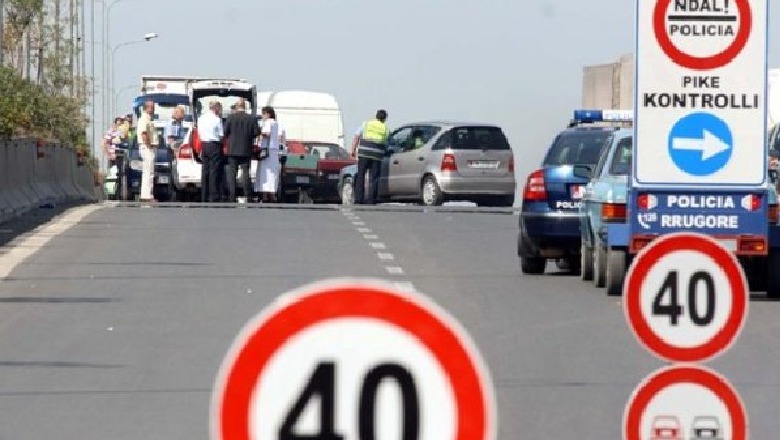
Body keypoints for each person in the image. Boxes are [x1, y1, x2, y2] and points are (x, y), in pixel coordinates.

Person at [223, 99, 259, 203]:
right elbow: (256, 132)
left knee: (232, 174)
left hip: (232, 150)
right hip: (246, 149)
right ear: (245, 107)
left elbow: (225, 133)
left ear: (236, 107)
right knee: (246, 174)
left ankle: (232, 196)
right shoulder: (251, 118)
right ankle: (248, 196)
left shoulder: (230, 118)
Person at [350, 109, 389, 205]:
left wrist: (353, 150)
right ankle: (372, 200)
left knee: (360, 176)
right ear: (385, 119)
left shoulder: (366, 124)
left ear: (376, 116)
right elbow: (387, 143)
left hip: (364, 153)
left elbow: (356, 136)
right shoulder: (385, 128)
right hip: (376, 155)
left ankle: (359, 199)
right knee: (374, 178)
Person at [197, 101, 224, 203]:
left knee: (205, 170)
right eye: (219, 108)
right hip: (214, 145)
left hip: (204, 144)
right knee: (214, 171)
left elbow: (199, 132)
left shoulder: (201, 118)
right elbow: (221, 135)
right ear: (216, 108)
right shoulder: (217, 119)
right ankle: (213, 195)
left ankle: (204, 195)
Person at [255, 106, 281, 203]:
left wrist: (259, 132)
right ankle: (272, 194)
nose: (262, 116)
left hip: (267, 149)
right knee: (273, 173)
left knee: (264, 173)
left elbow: (267, 134)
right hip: (274, 150)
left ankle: (265, 194)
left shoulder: (268, 122)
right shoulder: (276, 123)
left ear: (268, 114)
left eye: (263, 114)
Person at [136, 100, 159, 202]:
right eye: (152, 107)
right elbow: (143, 133)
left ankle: (146, 194)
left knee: (148, 172)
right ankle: (147, 195)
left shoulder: (149, 119)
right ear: (147, 108)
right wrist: (149, 144)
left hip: (149, 147)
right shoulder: (144, 118)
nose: (153, 109)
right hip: (147, 147)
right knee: (148, 172)